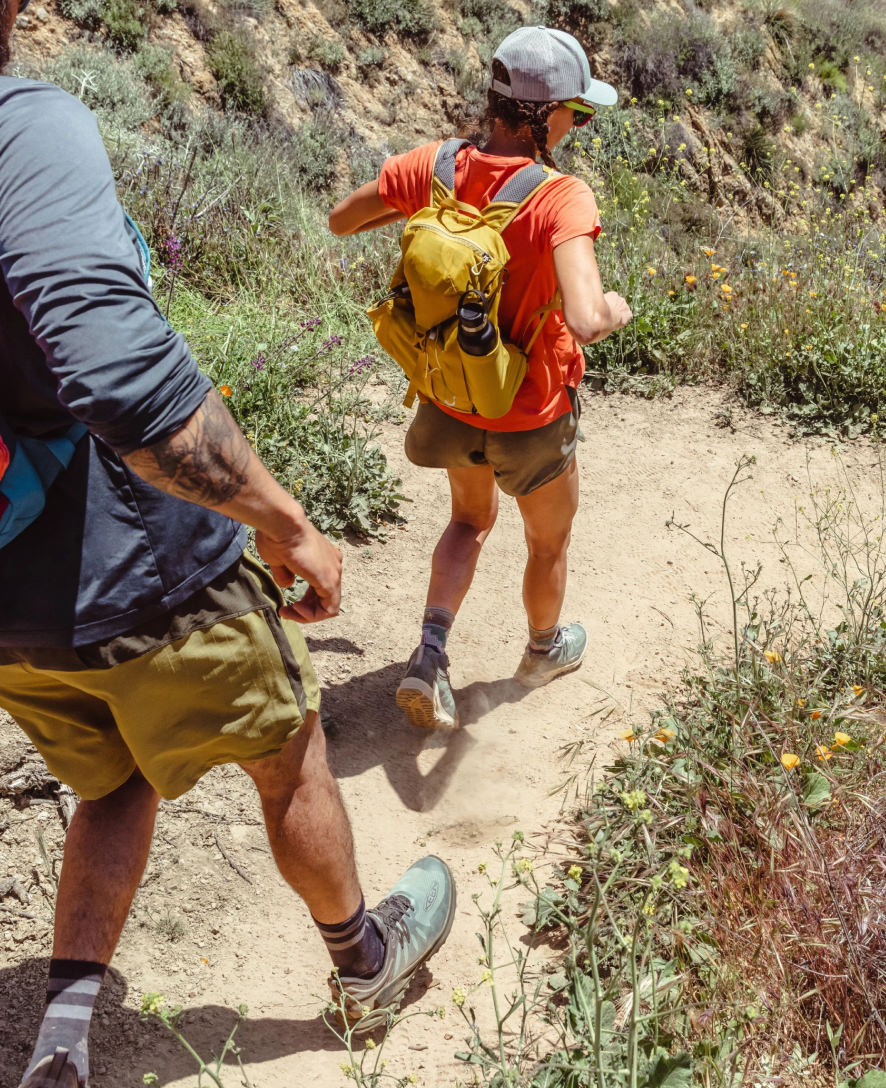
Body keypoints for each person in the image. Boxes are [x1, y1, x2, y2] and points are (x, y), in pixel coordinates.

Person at [0, 5, 455, 1086]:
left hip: (11, 611)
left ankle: (61, 1043)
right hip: (146, 569)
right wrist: (287, 522)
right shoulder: (24, 127)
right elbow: (124, 380)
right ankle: (365, 964)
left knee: (113, 780)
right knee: (286, 755)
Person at [329, 26, 633, 730]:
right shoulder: (561, 197)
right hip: (529, 411)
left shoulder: (434, 165)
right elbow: (587, 318)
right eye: (578, 112)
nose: (578, 125)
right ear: (544, 116)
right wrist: (617, 307)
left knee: (468, 520)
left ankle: (430, 655)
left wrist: (424, 209)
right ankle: (543, 650)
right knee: (548, 540)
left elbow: (342, 220)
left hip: (449, 396)